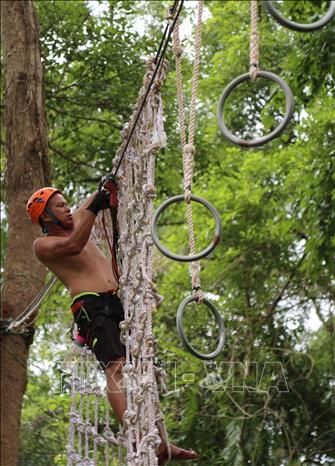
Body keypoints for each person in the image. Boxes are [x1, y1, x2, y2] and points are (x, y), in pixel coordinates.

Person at [26, 186, 199, 464]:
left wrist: (106, 189)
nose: (67, 208)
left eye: (66, 203)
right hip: (92, 307)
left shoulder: (79, 219)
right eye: (59, 206)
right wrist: (94, 206)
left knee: (143, 371)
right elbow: (74, 246)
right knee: (117, 367)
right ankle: (136, 436)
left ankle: (162, 441)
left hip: (118, 304)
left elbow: (92, 202)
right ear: (46, 218)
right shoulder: (43, 246)